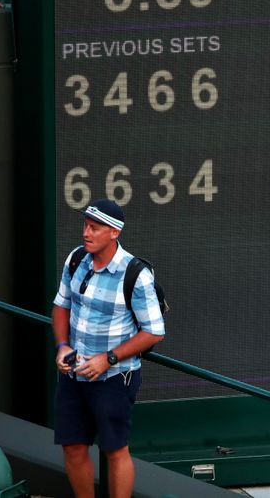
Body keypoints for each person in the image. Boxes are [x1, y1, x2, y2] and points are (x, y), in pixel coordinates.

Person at [52, 199, 165, 498]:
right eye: (85, 226)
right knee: (73, 447)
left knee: (115, 450)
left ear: (114, 232)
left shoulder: (136, 274)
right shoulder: (76, 259)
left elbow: (154, 332)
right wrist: (62, 346)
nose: (86, 233)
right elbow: (61, 306)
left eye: (95, 228)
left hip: (115, 377)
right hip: (73, 374)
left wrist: (108, 359)